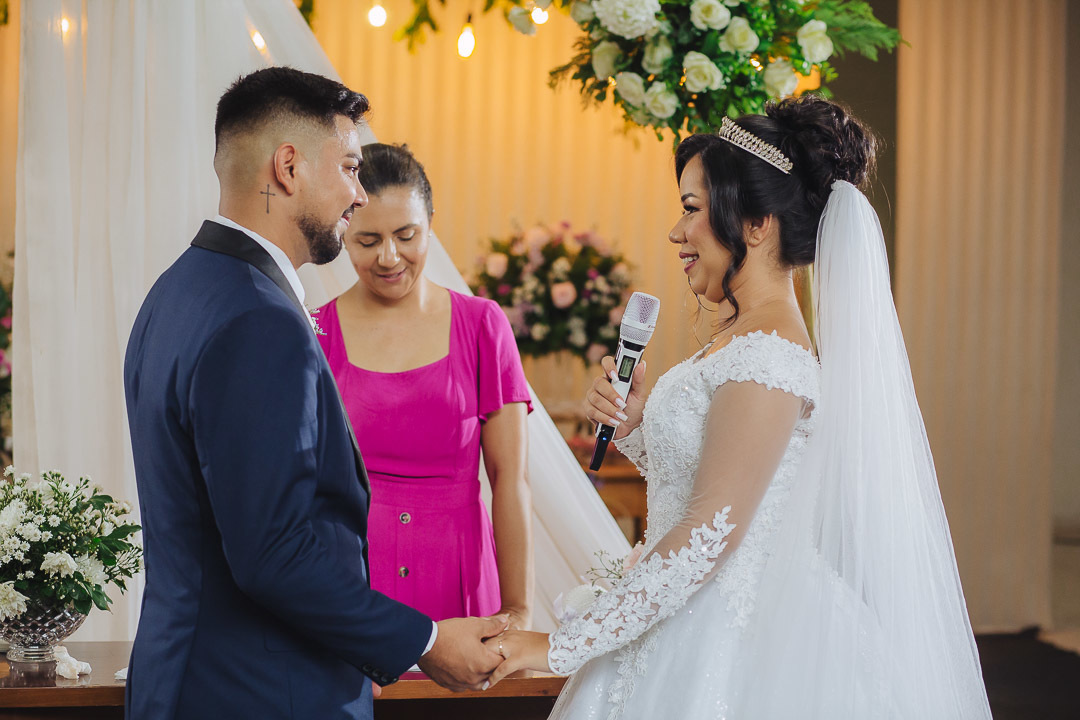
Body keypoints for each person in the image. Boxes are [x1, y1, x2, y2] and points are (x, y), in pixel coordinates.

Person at [484, 95, 992, 718]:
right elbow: (724, 485)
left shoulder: (769, 354)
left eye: (692, 210)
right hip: (694, 612)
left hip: (735, 637)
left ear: (756, 224)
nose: (676, 232)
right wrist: (641, 428)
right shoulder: (744, 338)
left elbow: (708, 532)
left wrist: (559, 645)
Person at [123, 67, 507, 720]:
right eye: (351, 167)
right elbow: (274, 553)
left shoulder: (178, 290)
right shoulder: (258, 320)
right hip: (260, 693)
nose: (359, 194)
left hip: (184, 677)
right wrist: (427, 640)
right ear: (288, 167)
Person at [315, 143, 534, 629]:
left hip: (460, 578)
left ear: (431, 221)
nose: (389, 258)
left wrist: (517, 610)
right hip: (352, 587)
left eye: (406, 235)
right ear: (344, 228)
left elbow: (510, 480)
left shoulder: (482, 325)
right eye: (368, 240)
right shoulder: (315, 332)